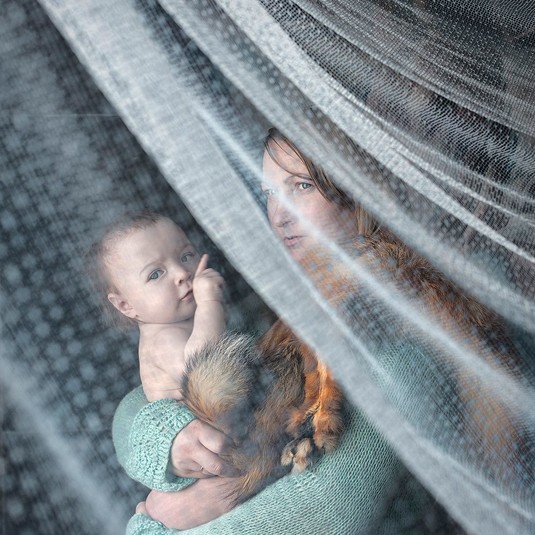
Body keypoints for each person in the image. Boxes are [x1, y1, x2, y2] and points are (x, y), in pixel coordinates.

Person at [113, 129, 466, 534]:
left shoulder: (406, 332)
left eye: (302, 186)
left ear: (359, 186)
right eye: (269, 192)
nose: (278, 215)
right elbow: (137, 403)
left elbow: (326, 513)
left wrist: (155, 528)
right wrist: (170, 438)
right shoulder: (294, 300)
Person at [87, 212, 226, 402]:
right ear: (125, 305)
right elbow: (204, 373)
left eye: (186, 256)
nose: (182, 273)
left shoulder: (182, 321)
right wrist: (210, 303)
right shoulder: (161, 341)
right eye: (155, 274)